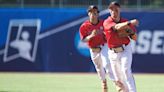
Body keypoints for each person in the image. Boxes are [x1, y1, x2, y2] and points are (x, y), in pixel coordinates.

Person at [103, 1, 139, 92]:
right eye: (111, 10)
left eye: (116, 9)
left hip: (125, 49)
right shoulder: (107, 22)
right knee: (118, 78)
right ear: (109, 11)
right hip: (112, 52)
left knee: (126, 70)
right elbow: (117, 27)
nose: (114, 12)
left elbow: (135, 38)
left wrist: (131, 32)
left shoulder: (125, 22)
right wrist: (130, 23)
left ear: (119, 9)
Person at [79, 5, 115, 92]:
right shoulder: (84, 26)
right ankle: (104, 82)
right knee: (99, 68)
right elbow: (83, 40)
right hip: (93, 49)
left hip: (103, 46)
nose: (93, 14)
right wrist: (91, 36)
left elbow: (110, 33)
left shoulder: (103, 23)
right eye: (91, 12)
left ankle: (117, 83)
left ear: (98, 14)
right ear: (88, 14)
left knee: (107, 64)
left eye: (95, 12)